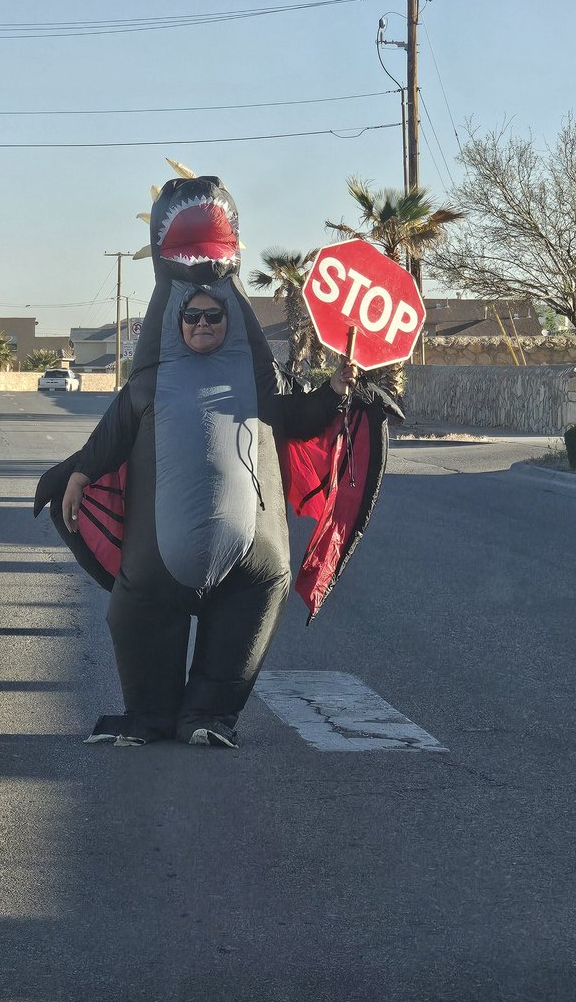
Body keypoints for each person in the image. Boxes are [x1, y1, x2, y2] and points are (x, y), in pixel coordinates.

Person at [59, 287, 358, 750]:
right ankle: (150, 713)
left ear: (230, 320)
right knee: (136, 610)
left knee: (248, 609)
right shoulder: (148, 382)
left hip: (252, 557)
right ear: (177, 321)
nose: (202, 323)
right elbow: (112, 436)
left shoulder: (261, 383)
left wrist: (335, 391)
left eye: (214, 316)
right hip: (154, 557)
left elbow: (299, 418)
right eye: (192, 315)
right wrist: (79, 474)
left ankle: (210, 713)